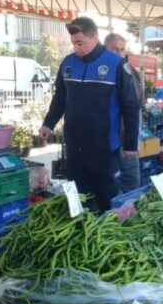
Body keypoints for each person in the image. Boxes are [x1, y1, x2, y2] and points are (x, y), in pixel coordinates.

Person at [39, 17, 140, 212]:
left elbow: (131, 107)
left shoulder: (117, 65)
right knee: (78, 201)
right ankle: (80, 236)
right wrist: (48, 124)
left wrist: (130, 144)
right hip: (75, 146)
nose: (77, 48)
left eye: (80, 43)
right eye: (74, 44)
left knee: (106, 201)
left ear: (95, 38)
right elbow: (60, 97)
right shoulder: (68, 63)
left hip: (104, 148)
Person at [104, 32, 145, 193]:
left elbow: (137, 104)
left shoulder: (129, 71)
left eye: (122, 50)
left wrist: (132, 140)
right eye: (114, 49)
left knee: (131, 183)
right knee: (112, 186)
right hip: (111, 140)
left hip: (127, 138)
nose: (119, 54)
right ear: (105, 48)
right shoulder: (104, 72)